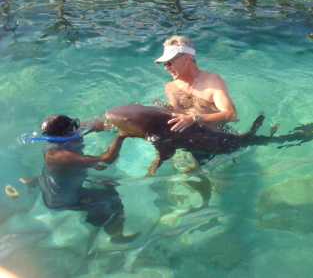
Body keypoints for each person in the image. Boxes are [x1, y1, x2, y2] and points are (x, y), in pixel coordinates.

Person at [37, 114, 140, 243]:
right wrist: (121, 136)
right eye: (74, 127)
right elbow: (104, 161)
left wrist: (120, 121)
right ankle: (115, 235)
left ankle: (32, 182)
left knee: (107, 183)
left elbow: (95, 124)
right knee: (112, 199)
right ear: (67, 133)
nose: (77, 128)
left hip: (56, 184)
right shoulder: (59, 156)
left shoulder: (62, 139)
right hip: (63, 199)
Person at [154, 35, 238, 165]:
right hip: (188, 139)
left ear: (186, 58)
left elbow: (230, 114)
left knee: (220, 181)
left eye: (170, 62)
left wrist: (195, 118)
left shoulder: (212, 81)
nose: (166, 68)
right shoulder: (171, 87)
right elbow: (174, 110)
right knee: (188, 178)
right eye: (165, 64)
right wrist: (148, 111)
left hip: (216, 138)